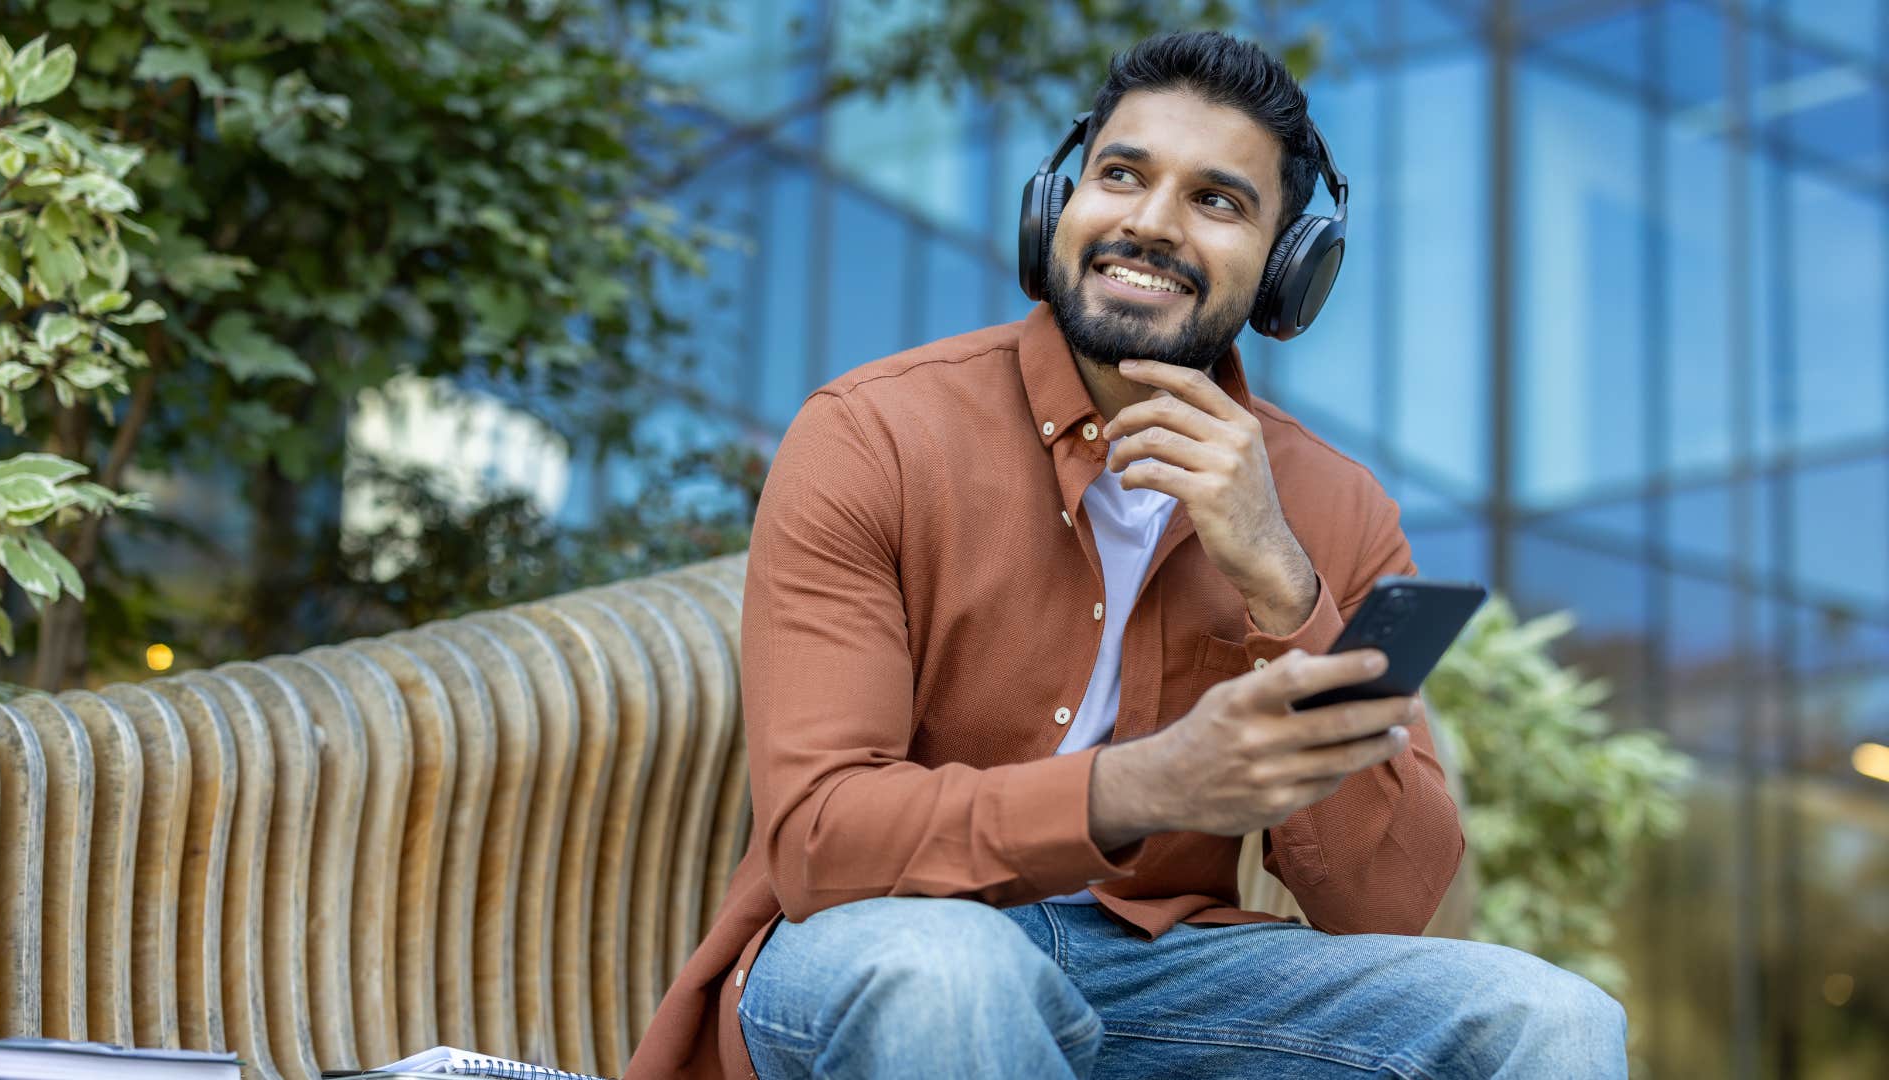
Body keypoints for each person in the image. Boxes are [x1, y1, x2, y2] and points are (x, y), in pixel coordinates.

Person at [627, 29, 1627, 1080]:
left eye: (1218, 201)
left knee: (1550, 1018)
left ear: (1291, 270)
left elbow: (1385, 904)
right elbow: (822, 842)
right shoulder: (875, 433)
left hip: (1169, 974)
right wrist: (1142, 787)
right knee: (954, 976)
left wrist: (1281, 581)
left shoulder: (1335, 508)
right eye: (1121, 175)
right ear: (1057, 207)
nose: (1150, 224)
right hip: (883, 945)